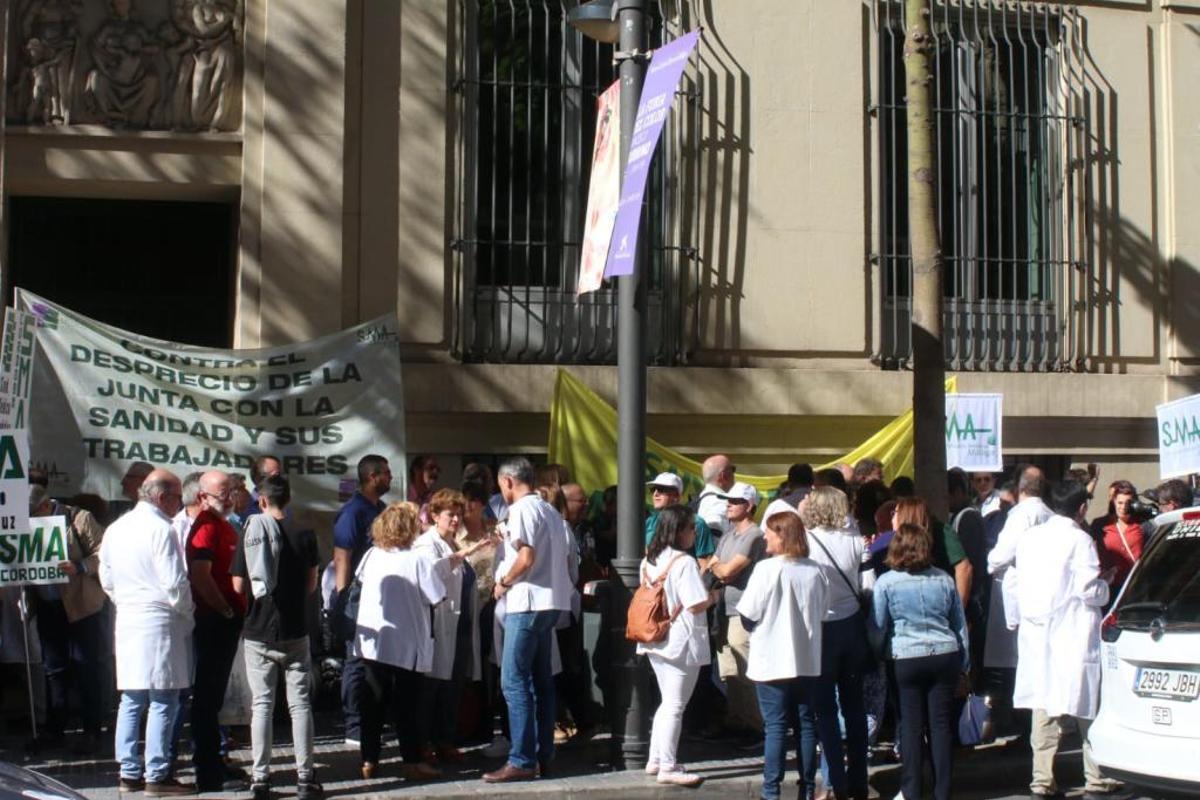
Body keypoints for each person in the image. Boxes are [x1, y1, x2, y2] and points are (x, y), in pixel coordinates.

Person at [1009, 480, 1124, 800]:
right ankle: (1096, 775)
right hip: (1072, 633)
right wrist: (1105, 585)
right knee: (1087, 705)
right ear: (1082, 508)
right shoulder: (1080, 539)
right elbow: (1087, 589)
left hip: (1038, 634)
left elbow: (1016, 581)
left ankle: (1041, 778)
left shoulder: (1029, 538)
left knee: (1044, 705)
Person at [99, 469, 196, 797]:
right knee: (163, 699)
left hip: (128, 616)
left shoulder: (116, 528)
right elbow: (174, 581)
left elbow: (106, 577)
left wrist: (125, 600)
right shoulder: (161, 529)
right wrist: (188, 613)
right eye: (178, 497)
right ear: (162, 497)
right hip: (159, 619)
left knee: (132, 697)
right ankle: (157, 774)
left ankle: (128, 772)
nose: (180, 503)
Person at [229, 475, 321, 800]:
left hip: (258, 628)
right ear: (289, 499)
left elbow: (238, 585)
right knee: (300, 704)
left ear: (262, 501)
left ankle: (260, 779)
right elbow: (312, 583)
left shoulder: (250, 532)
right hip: (295, 627)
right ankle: (306, 778)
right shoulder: (305, 533)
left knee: (262, 705)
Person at [483, 457, 575, 783]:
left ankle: (522, 759)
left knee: (513, 680)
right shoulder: (550, 511)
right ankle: (543, 756)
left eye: (501, 486)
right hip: (551, 602)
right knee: (540, 681)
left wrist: (503, 582)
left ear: (508, 481)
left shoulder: (521, 509)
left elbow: (526, 556)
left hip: (528, 602)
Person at [873, 523, 969, 800]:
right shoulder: (944, 579)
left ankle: (912, 789)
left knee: (911, 725)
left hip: (905, 656)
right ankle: (943, 791)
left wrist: (877, 655)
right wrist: (964, 665)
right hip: (944, 654)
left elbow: (878, 626)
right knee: (940, 726)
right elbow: (959, 625)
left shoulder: (886, 582)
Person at [352, 502, 446, 781]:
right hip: (407, 643)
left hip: (375, 642)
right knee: (408, 707)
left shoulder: (371, 555)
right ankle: (411, 760)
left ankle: (369, 759)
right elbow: (437, 596)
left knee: (373, 703)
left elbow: (360, 581)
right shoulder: (417, 560)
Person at [739, 510, 829, 800]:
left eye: (769, 531)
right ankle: (806, 789)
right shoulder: (816, 570)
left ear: (782, 535)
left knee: (776, 726)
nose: (765, 536)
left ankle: (771, 791)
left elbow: (748, 614)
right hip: (806, 658)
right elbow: (823, 612)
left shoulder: (767, 569)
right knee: (806, 725)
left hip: (772, 658)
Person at [801, 486, 872, 800]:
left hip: (821, 629)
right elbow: (868, 587)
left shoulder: (806, 541)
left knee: (825, 710)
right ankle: (859, 779)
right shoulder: (857, 541)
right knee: (855, 707)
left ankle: (833, 782)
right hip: (852, 627)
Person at [638, 505, 715, 787]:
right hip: (681, 639)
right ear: (679, 530)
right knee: (675, 705)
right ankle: (668, 766)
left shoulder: (649, 560)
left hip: (656, 637)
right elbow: (695, 603)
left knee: (667, 701)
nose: (694, 533)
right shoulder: (684, 562)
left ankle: (656, 759)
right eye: (691, 528)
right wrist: (714, 596)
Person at [27, 485, 108, 755]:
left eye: (34, 513)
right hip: (48, 605)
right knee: (54, 669)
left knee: (86, 667)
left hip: (81, 605)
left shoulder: (79, 518)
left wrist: (80, 566)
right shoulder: (24, 524)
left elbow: (104, 554)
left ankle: (91, 731)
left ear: (45, 505)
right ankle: (54, 730)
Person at [186, 470, 248, 793]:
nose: (230, 498)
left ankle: (214, 761)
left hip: (225, 621)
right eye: (223, 493)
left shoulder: (222, 524)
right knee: (207, 699)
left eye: (231, 491)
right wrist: (224, 609)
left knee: (214, 698)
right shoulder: (206, 527)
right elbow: (200, 575)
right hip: (214, 623)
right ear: (203, 497)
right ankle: (208, 772)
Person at [414, 489, 478, 767]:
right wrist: (461, 556)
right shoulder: (426, 544)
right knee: (431, 688)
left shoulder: (452, 542)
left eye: (459, 514)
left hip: (459, 623)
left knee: (453, 685)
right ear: (434, 515)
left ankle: (445, 740)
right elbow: (429, 574)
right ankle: (424, 743)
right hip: (437, 623)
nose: (455, 519)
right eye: (450, 514)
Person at [984, 466, 1052, 727]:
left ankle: (1019, 724)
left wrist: (989, 561)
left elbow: (1002, 555)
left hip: (1016, 595)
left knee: (1016, 662)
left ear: (1019, 488)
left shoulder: (1021, 515)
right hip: (1041, 596)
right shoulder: (1049, 514)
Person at [332, 455, 391, 745]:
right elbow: (341, 558)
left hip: (381, 598)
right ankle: (354, 726)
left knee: (375, 661)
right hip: (357, 597)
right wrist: (343, 597)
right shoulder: (352, 513)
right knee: (355, 661)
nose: (390, 477)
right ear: (372, 476)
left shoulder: (381, 509)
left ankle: (373, 720)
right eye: (386, 473)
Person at [707, 481, 765, 735]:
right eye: (728, 500)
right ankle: (737, 720)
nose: (728, 505)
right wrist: (718, 568)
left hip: (742, 611)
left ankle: (755, 725)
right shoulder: (729, 535)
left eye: (735, 501)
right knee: (729, 670)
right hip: (724, 609)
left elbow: (726, 571)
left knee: (745, 671)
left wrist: (718, 568)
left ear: (749, 506)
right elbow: (715, 565)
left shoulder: (755, 536)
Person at [645, 472, 715, 565]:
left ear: (677, 496)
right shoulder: (650, 522)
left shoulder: (696, 523)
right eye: (653, 489)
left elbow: (705, 564)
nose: (655, 494)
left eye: (661, 490)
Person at [1088, 480, 1145, 593]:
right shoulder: (1100, 524)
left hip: (1135, 586)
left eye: (1128, 503)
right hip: (1109, 587)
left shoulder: (1143, 525)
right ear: (1113, 502)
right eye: (1120, 503)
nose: (1123, 507)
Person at [697, 454, 737, 538]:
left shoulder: (703, 500)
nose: (734, 475)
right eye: (732, 470)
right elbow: (714, 541)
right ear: (723, 476)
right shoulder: (719, 504)